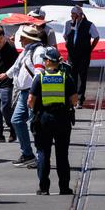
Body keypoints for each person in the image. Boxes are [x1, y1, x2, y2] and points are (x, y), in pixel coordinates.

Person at [28, 47, 77, 195]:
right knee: (62, 154)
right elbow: (74, 100)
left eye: (44, 59)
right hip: (62, 118)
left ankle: (43, 188)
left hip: (44, 118)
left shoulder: (40, 77)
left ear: (49, 61)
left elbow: (30, 100)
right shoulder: (65, 77)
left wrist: (35, 109)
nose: (43, 61)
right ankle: (64, 187)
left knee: (43, 152)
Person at [1, 25, 46, 167]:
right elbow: (16, 66)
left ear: (28, 39)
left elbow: (39, 74)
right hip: (24, 92)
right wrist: (6, 75)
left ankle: (41, 158)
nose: (19, 39)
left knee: (35, 126)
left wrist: (33, 93)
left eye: (22, 37)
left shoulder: (38, 51)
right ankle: (27, 154)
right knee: (16, 120)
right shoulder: (27, 50)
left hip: (33, 94)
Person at [63, 6, 100, 108]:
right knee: (71, 76)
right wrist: (69, 44)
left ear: (80, 15)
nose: (72, 16)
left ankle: (80, 99)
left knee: (82, 76)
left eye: (74, 14)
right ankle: (72, 98)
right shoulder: (68, 24)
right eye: (71, 14)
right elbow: (65, 35)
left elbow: (96, 37)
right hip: (72, 54)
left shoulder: (88, 25)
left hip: (83, 54)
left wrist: (90, 48)